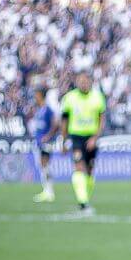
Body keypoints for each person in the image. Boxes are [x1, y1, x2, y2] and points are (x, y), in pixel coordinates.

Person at [61, 71, 106, 215]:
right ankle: (83, 203)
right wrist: (64, 140)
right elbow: (64, 121)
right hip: (76, 137)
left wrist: (95, 138)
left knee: (90, 173)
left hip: (91, 138)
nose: (83, 83)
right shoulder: (69, 98)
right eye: (80, 81)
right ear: (76, 82)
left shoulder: (98, 97)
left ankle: (84, 198)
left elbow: (101, 120)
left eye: (86, 81)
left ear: (90, 82)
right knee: (79, 167)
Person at [30, 86, 59, 203]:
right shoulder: (39, 109)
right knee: (42, 165)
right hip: (39, 141)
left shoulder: (47, 109)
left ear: (41, 95)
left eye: (36, 95)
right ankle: (47, 190)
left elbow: (55, 123)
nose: (35, 97)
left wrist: (48, 136)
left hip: (46, 142)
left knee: (44, 164)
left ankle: (49, 191)